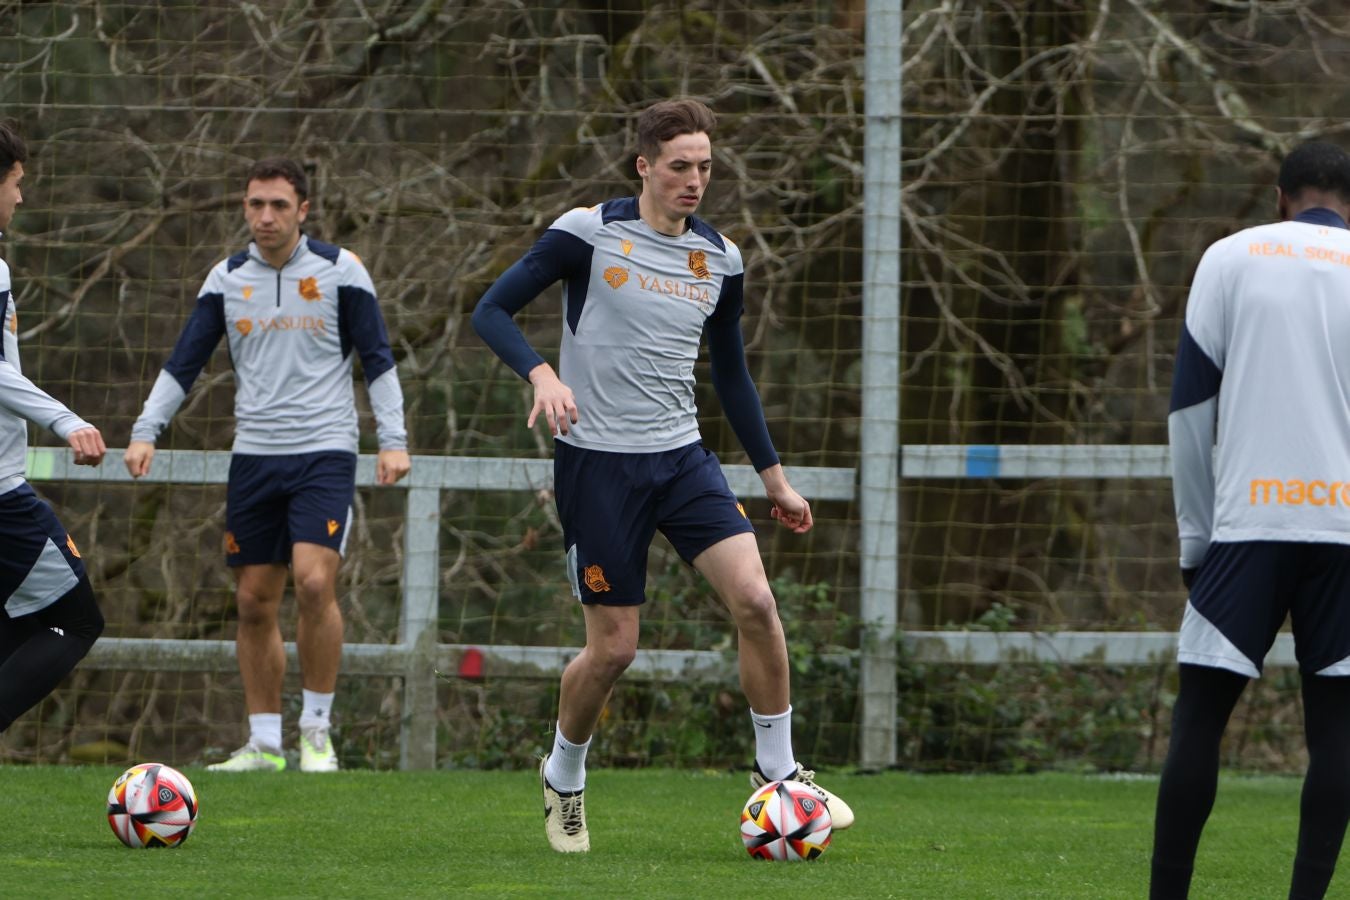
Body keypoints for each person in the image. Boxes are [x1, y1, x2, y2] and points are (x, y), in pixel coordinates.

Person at [472, 98, 854, 853]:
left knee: (755, 599)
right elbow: (492, 311)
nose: (694, 180)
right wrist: (542, 375)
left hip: (682, 459)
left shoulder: (721, 258)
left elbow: (733, 376)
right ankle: (564, 776)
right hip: (597, 466)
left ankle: (776, 775)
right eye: (679, 165)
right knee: (614, 649)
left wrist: (774, 479)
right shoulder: (588, 232)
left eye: (705, 166)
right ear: (644, 165)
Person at [125, 158, 411, 772]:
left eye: (279, 205)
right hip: (254, 455)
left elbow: (378, 358)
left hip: (325, 451)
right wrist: (146, 431)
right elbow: (185, 361)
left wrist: (394, 439)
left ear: (303, 210)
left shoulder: (341, 270)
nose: (266, 217)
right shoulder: (225, 279)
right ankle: (263, 743)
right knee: (255, 600)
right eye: (255, 204)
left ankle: (315, 730)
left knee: (313, 581)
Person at [1154, 140, 1350, 899]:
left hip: (1247, 528)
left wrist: (1195, 539)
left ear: (1279, 198)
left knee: (1200, 717)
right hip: (1343, 532)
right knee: (1337, 729)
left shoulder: (1229, 257)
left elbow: (1190, 410)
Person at [0, 120, 108, 733]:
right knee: (75, 620)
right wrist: (66, 421)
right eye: (15, 183)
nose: (21, 197)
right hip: (1, 492)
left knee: (16, 620)